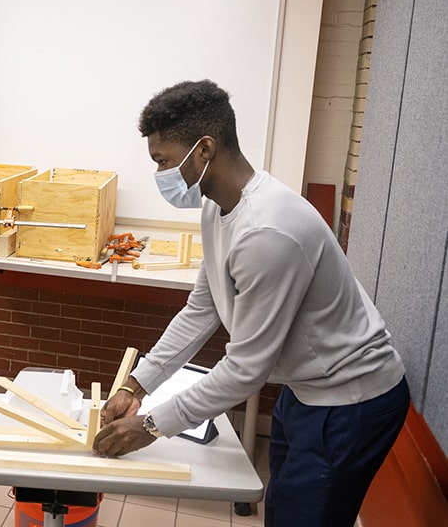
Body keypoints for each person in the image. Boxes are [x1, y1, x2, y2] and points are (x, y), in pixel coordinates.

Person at [92, 80, 409, 526]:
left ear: (204, 149)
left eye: (163, 161)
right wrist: (136, 386)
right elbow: (201, 309)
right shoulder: (216, 206)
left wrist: (151, 425)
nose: (160, 174)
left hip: (351, 399)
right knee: (284, 511)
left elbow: (245, 369)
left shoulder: (266, 232)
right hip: (307, 388)